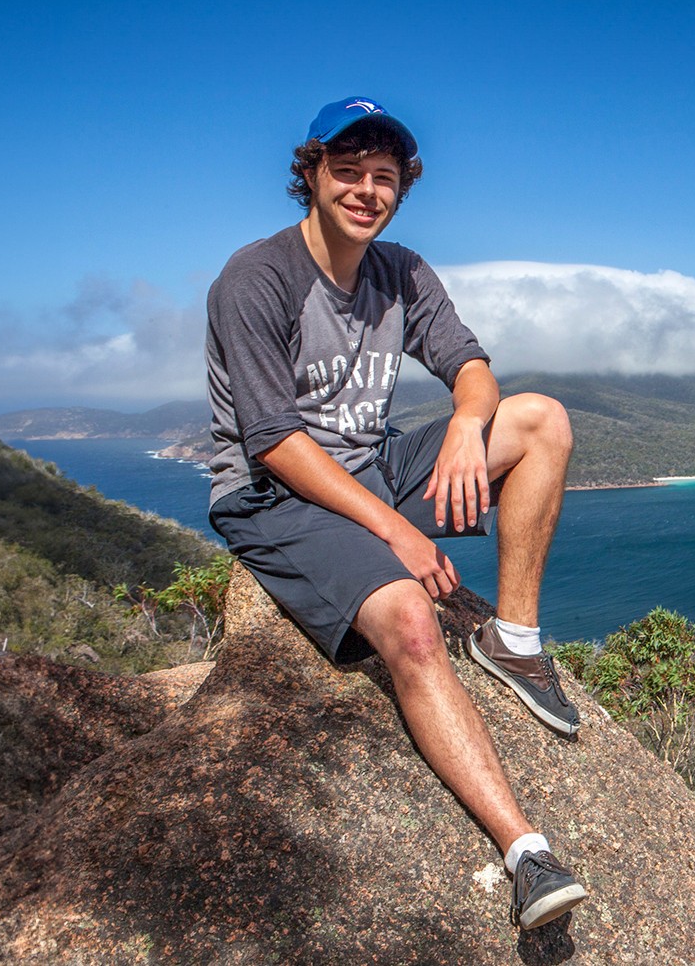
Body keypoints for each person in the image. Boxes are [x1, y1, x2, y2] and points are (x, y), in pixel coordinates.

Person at [204, 96, 587, 930]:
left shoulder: (402, 271)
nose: (366, 191)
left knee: (540, 419)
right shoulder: (256, 278)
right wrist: (397, 528)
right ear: (310, 174)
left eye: (384, 177)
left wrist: (463, 423)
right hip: (272, 494)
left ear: (401, 189)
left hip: (368, 469)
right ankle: (528, 854)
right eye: (348, 172)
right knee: (412, 621)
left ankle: (513, 642)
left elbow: (472, 365)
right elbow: (271, 440)